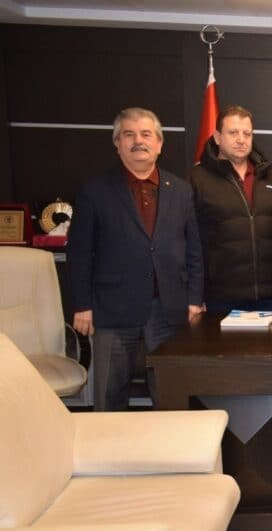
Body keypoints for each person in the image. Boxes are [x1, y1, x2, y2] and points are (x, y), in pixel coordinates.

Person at [68, 107, 203, 410]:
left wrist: (195, 299)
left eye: (146, 134)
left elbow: (194, 249)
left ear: (159, 144)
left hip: (168, 310)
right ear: (117, 143)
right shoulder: (94, 190)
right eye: (129, 134)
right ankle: (108, 443)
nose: (138, 141)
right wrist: (82, 305)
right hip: (112, 310)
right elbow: (79, 252)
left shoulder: (181, 190)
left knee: (171, 396)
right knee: (109, 395)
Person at [189, 104, 272, 315]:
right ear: (217, 137)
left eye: (247, 133)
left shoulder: (270, 177)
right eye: (233, 133)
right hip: (220, 298)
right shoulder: (197, 179)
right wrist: (196, 295)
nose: (241, 139)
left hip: (268, 297)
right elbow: (190, 242)